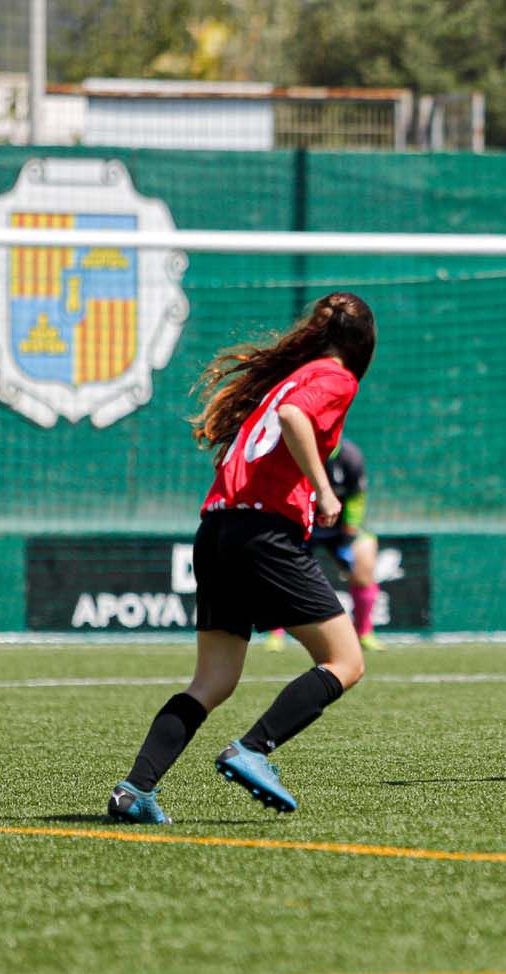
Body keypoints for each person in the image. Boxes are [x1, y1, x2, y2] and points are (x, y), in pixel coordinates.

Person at [107, 292, 376, 823]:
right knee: (346, 662)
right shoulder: (334, 378)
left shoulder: (286, 378)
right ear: (362, 345)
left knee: (213, 681)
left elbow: (281, 417)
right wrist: (323, 490)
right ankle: (253, 749)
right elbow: (297, 418)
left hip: (217, 529)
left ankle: (134, 790)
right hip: (264, 532)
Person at [267, 436, 384, 653]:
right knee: (279, 571)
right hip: (301, 525)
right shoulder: (293, 451)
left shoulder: (350, 456)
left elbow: (357, 498)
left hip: (340, 529)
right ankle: (276, 633)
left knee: (364, 559)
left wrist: (349, 535)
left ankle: (365, 632)